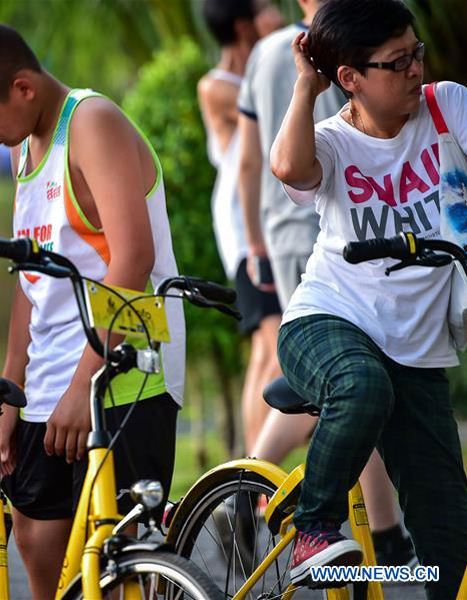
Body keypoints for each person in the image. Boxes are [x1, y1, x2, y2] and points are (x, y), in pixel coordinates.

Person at [0, 20, 186, 599]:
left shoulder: (92, 123)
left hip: (122, 383)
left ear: (23, 88)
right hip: (49, 386)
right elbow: (30, 286)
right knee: (37, 542)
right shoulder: (25, 146)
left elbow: (133, 260)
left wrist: (84, 382)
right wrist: (11, 391)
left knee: (119, 569)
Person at [270, 0, 467, 595]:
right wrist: (307, 87)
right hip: (327, 321)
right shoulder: (330, 140)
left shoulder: (447, 106)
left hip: (419, 350)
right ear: (349, 79)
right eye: (396, 61)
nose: (415, 70)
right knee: (362, 384)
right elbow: (287, 167)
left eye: (417, 52)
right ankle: (313, 527)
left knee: (448, 545)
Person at [239, 0, 415, 567]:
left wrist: (252, 237)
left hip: (303, 228)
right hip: (320, 233)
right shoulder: (328, 55)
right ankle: (261, 491)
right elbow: (269, 157)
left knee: (349, 381)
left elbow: (246, 158)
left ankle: (376, 528)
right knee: (347, 379)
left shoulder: (286, 50)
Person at [198, 0, 283, 456]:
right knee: (273, 344)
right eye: (266, 7)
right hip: (247, 229)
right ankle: (257, 474)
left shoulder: (265, 67)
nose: (277, 12)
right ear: (243, 25)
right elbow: (274, 103)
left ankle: (250, 477)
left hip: (270, 222)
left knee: (263, 351)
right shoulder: (217, 87)